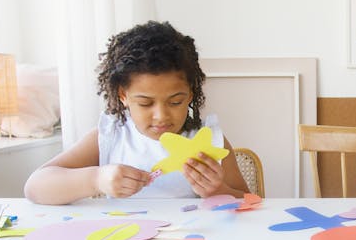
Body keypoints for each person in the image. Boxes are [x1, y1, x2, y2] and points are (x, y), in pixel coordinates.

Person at [24, 21, 249, 205]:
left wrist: (217, 190)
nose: (161, 116)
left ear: (190, 94)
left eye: (175, 101)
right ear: (123, 96)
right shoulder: (111, 136)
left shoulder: (210, 141)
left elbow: (251, 203)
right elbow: (35, 187)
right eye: (145, 103)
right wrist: (96, 179)